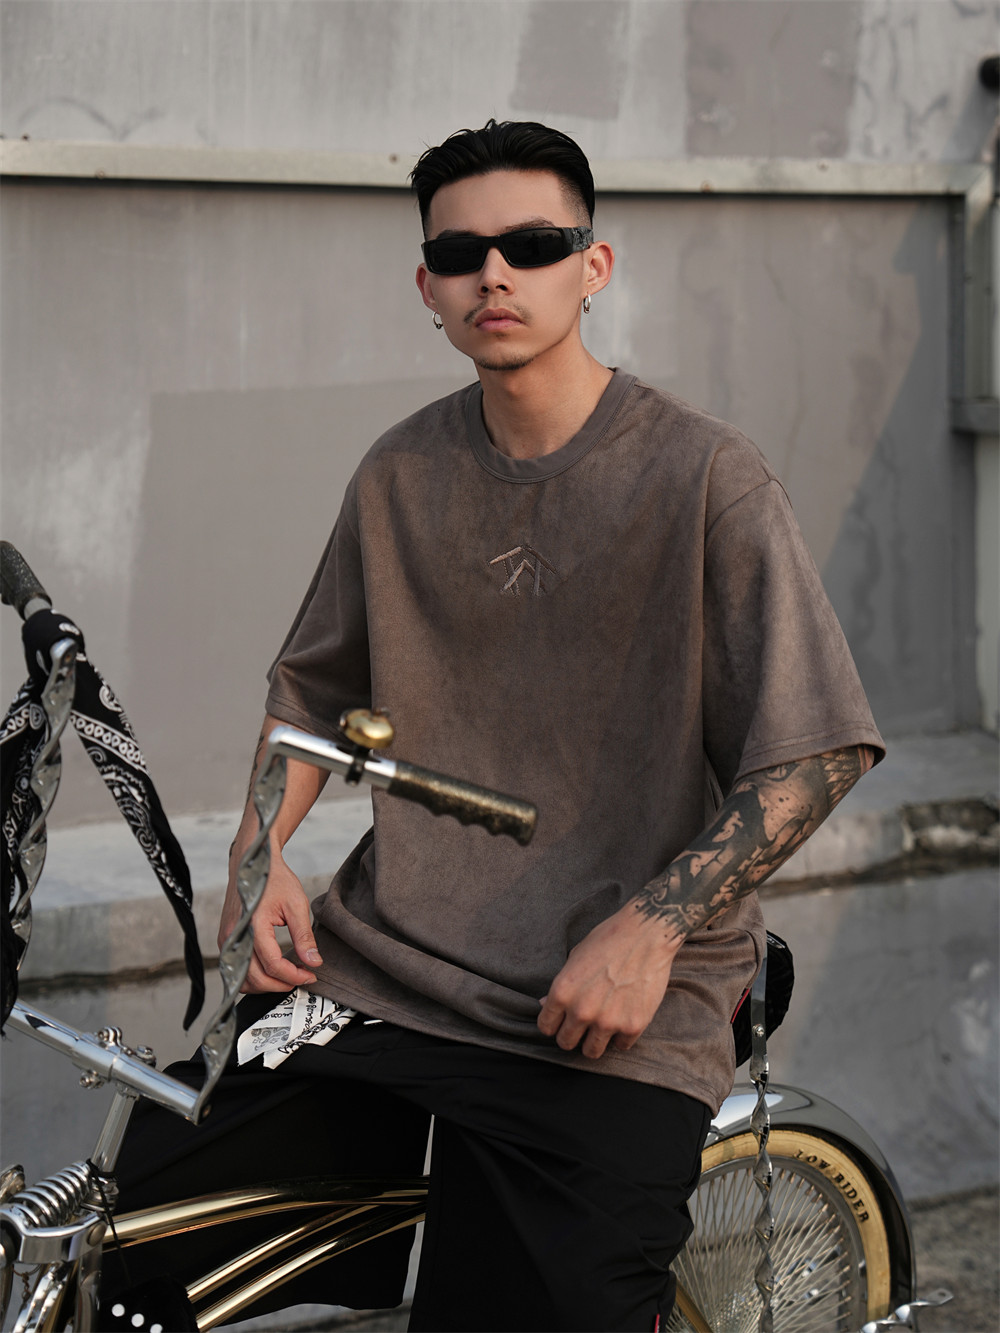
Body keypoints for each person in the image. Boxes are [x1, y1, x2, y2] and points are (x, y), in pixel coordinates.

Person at [109, 120, 883, 1333]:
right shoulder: (399, 475)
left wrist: (651, 928)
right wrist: (260, 857)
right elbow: (311, 694)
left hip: (611, 1004)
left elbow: (815, 748)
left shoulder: (704, 477)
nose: (495, 274)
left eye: (532, 244)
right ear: (426, 286)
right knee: (132, 1245)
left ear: (593, 266)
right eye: (460, 253)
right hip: (384, 968)